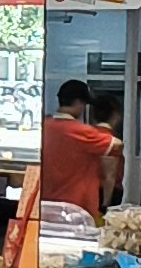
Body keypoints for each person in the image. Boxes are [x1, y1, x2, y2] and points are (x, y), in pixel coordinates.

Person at [37, 78, 120, 216]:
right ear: (78, 102)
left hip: (46, 205)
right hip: (77, 209)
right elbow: (116, 145)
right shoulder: (82, 132)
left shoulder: (43, 126)